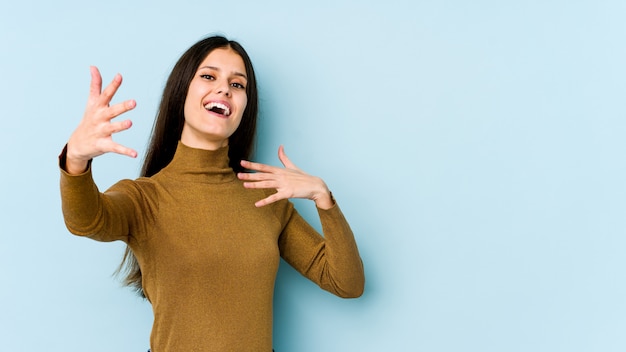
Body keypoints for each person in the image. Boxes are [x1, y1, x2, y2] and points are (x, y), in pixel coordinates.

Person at [59, 35, 365, 352]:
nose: (224, 89)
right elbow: (86, 221)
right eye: (208, 76)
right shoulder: (146, 198)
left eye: (238, 85)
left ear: (245, 106)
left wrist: (323, 197)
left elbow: (346, 282)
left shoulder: (267, 199)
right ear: (182, 93)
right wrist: (76, 159)